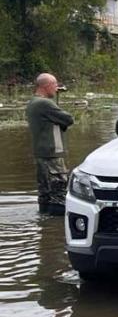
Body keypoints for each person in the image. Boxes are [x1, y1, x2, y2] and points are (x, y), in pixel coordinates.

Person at [26, 73, 74, 216]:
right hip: (52, 155)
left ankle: (45, 226)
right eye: (55, 84)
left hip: (41, 154)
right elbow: (68, 119)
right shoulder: (45, 103)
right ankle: (57, 225)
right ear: (46, 86)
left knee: (45, 194)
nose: (56, 88)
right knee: (59, 194)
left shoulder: (33, 102)